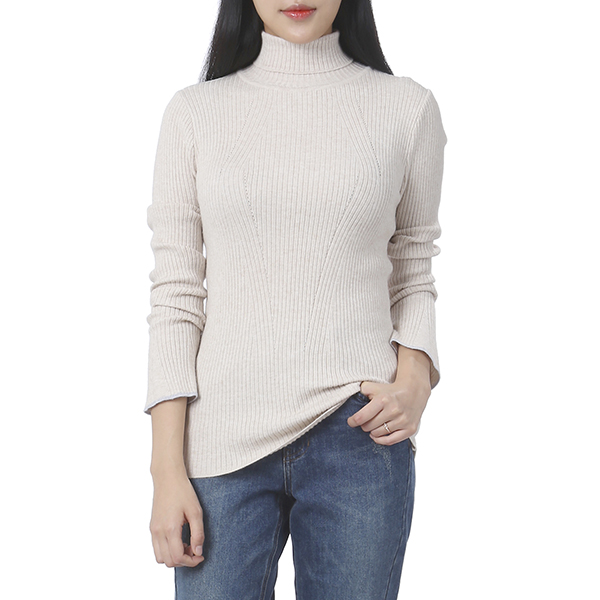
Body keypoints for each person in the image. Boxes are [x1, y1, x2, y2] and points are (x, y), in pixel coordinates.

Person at [145, 0, 447, 598]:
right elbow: (175, 295)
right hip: (220, 443)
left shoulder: (406, 107)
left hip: (358, 432)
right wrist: (165, 469)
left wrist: (416, 380)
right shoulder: (195, 114)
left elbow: (413, 264)